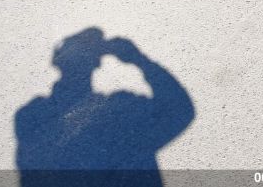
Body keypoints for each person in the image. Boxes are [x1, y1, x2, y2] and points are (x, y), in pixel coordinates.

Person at [15, 28, 194, 187]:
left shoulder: (32, 116)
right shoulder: (121, 109)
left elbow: (180, 110)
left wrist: (140, 60)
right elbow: (179, 109)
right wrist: (140, 61)